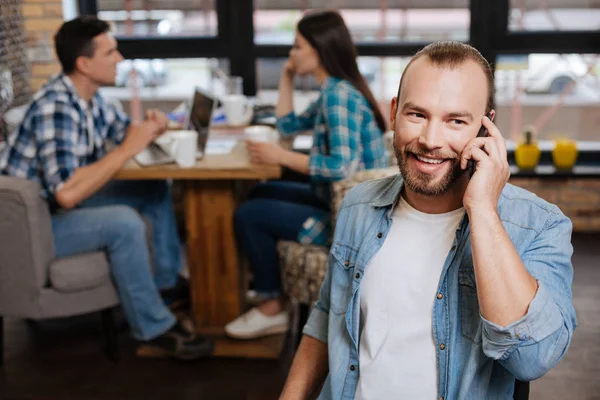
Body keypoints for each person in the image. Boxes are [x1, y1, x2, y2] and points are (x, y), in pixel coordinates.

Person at [280, 41, 577, 399]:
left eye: (456, 121)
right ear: (393, 113)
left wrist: (482, 209)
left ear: (485, 128)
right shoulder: (358, 205)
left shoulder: (540, 225)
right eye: (417, 115)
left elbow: (531, 360)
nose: (431, 140)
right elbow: (328, 317)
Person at [0, 16, 213, 360]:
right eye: (111, 52)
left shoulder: (90, 98)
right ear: (84, 64)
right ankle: (154, 326)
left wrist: (153, 126)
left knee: (154, 190)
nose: (120, 59)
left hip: (54, 207)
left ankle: (164, 288)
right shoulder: (57, 106)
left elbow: (125, 132)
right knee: (124, 222)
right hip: (33, 229)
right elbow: (66, 194)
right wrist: (131, 146)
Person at [225, 10, 389, 340]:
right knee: (259, 194)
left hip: (348, 220)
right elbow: (286, 124)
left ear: (320, 50)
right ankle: (269, 289)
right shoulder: (334, 91)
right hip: (331, 201)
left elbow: (343, 167)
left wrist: (280, 156)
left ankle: (272, 307)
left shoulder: (337, 97)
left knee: (249, 214)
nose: (291, 54)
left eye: (297, 47)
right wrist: (286, 77)